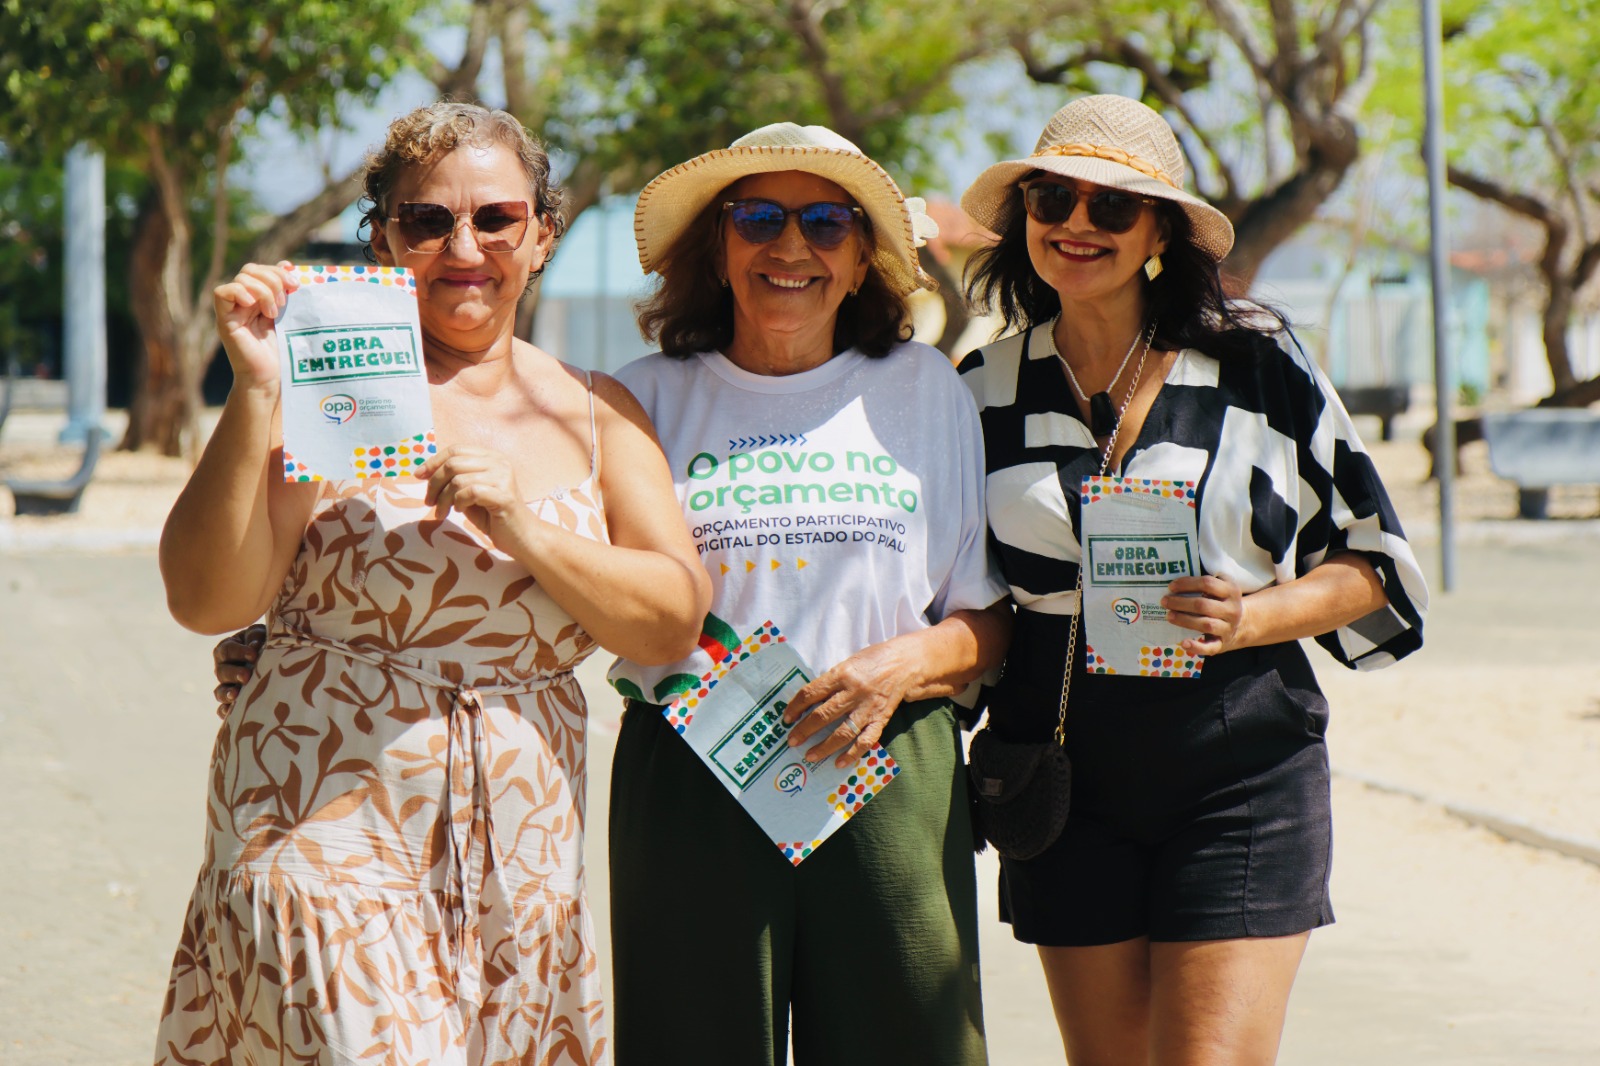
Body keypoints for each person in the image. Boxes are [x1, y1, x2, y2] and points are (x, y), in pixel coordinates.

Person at [155, 101, 711, 1065]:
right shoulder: (330, 387)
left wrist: (524, 526)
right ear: (382, 239)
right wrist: (256, 391)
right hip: (322, 828)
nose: (464, 249)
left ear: (542, 235)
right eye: (427, 221)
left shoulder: (595, 412)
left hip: (523, 861)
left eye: (496, 219)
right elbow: (208, 601)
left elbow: (670, 620)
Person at [955, 94, 1429, 1065]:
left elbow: (1374, 565)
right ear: (1023, 218)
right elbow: (954, 587)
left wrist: (1250, 616)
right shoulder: (978, 389)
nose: (1077, 224)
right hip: (1059, 770)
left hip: (1238, 762)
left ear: (1160, 232)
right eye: (1052, 199)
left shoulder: (1257, 363)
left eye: (1112, 206)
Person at [602, 122, 1010, 1066]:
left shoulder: (925, 388)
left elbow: (987, 622)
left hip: (886, 755)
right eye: (758, 219)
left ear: (864, 258)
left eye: (827, 223)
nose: (791, 247)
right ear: (718, 247)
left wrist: (900, 665)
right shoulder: (639, 399)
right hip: (690, 771)